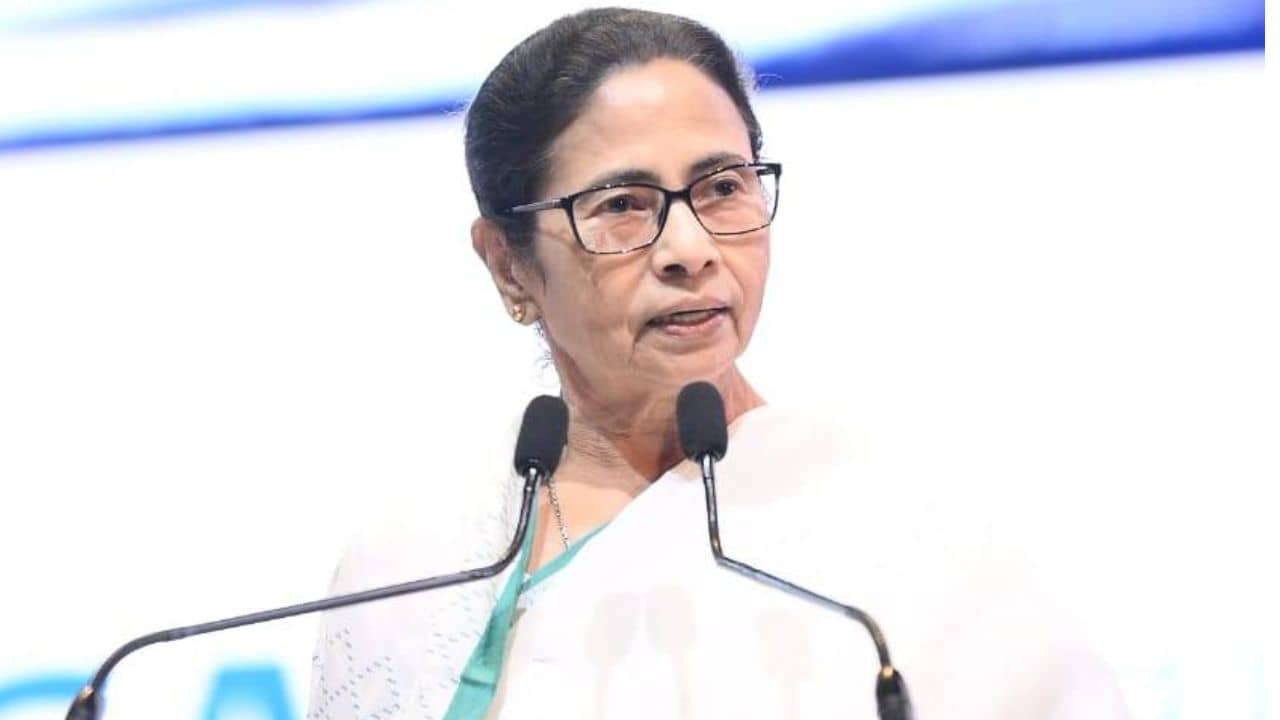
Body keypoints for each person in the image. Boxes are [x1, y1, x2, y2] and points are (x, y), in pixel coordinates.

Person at [307, 8, 1130, 719]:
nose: (690, 248)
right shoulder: (404, 565)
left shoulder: (906, 537)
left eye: (724, 188)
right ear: (508, 264)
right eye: (623, 205)